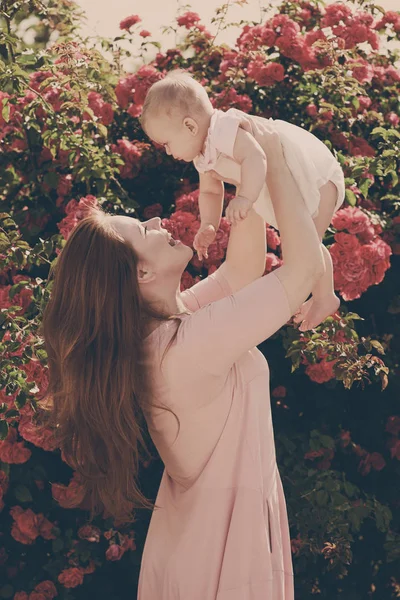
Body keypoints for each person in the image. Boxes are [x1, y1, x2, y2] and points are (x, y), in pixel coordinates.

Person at [41, 128, 328, 599]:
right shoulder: (183, 348)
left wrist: (243, 175)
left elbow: (242, 271)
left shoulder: (166, 332)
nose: (157, 221)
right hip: (216, 556)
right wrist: (272, 154)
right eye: (143, 231)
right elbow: (301, 273)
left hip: (201, 544)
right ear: (141, 273)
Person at [140, 69, 345, 332]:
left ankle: (325, 296)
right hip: (292, 185)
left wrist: (246, 197)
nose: (168, 152)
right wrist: (209, 225)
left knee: (307, 243)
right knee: (305, 242)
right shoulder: (202, 156)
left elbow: (255, 156)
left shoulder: (223, 129)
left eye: (167, 143)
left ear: (190, 126)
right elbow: (211, 192)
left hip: (315, 175)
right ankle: (324, 296)